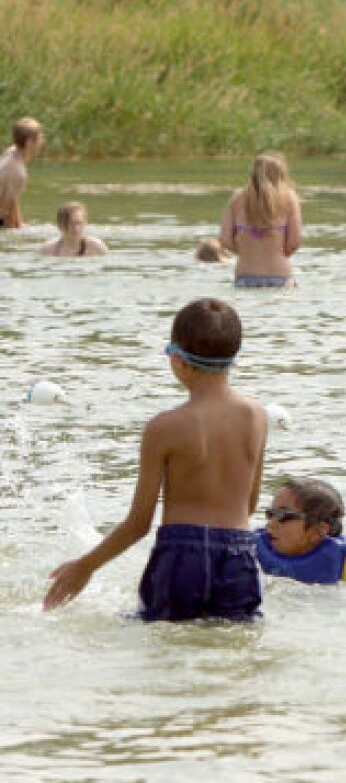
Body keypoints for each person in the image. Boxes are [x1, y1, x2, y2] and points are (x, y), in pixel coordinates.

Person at [43, 299, 266, 620]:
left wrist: (84, 566)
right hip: (238, 553)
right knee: (230, 647)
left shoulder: (164, 427)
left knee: (162, 644)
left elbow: (138, 525)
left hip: (181, 554)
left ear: (177, 359)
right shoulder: (256, 416)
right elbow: (249, 504)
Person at [219, 151, 303, 289]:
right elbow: (294, 242)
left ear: (252, 174)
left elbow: (225, 240)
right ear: (280, 175)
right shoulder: (289, 197)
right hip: (280, 276)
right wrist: (277, 254)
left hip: (245, 276)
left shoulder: (237, 197)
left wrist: (247, 253)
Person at [257, 477, 346, 585]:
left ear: (318, 531)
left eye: (283, 515)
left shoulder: (335, 580)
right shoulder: (252, 556)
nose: (270, 524)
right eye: (270, 514)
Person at [0, 117, 44, 229]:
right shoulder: (18, 172)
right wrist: (15, 234)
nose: (43, 141)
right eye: (40, 138)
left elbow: (13, 199)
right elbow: (7, 211)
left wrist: (21, 222)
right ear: (29, 142)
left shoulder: (11, 151)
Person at [38, 201, 108, 257]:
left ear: (85, 223)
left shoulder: (97, 248)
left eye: (79, 223)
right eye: (70, 223)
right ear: (60, 225)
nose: (76, 228)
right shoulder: (47, 249)